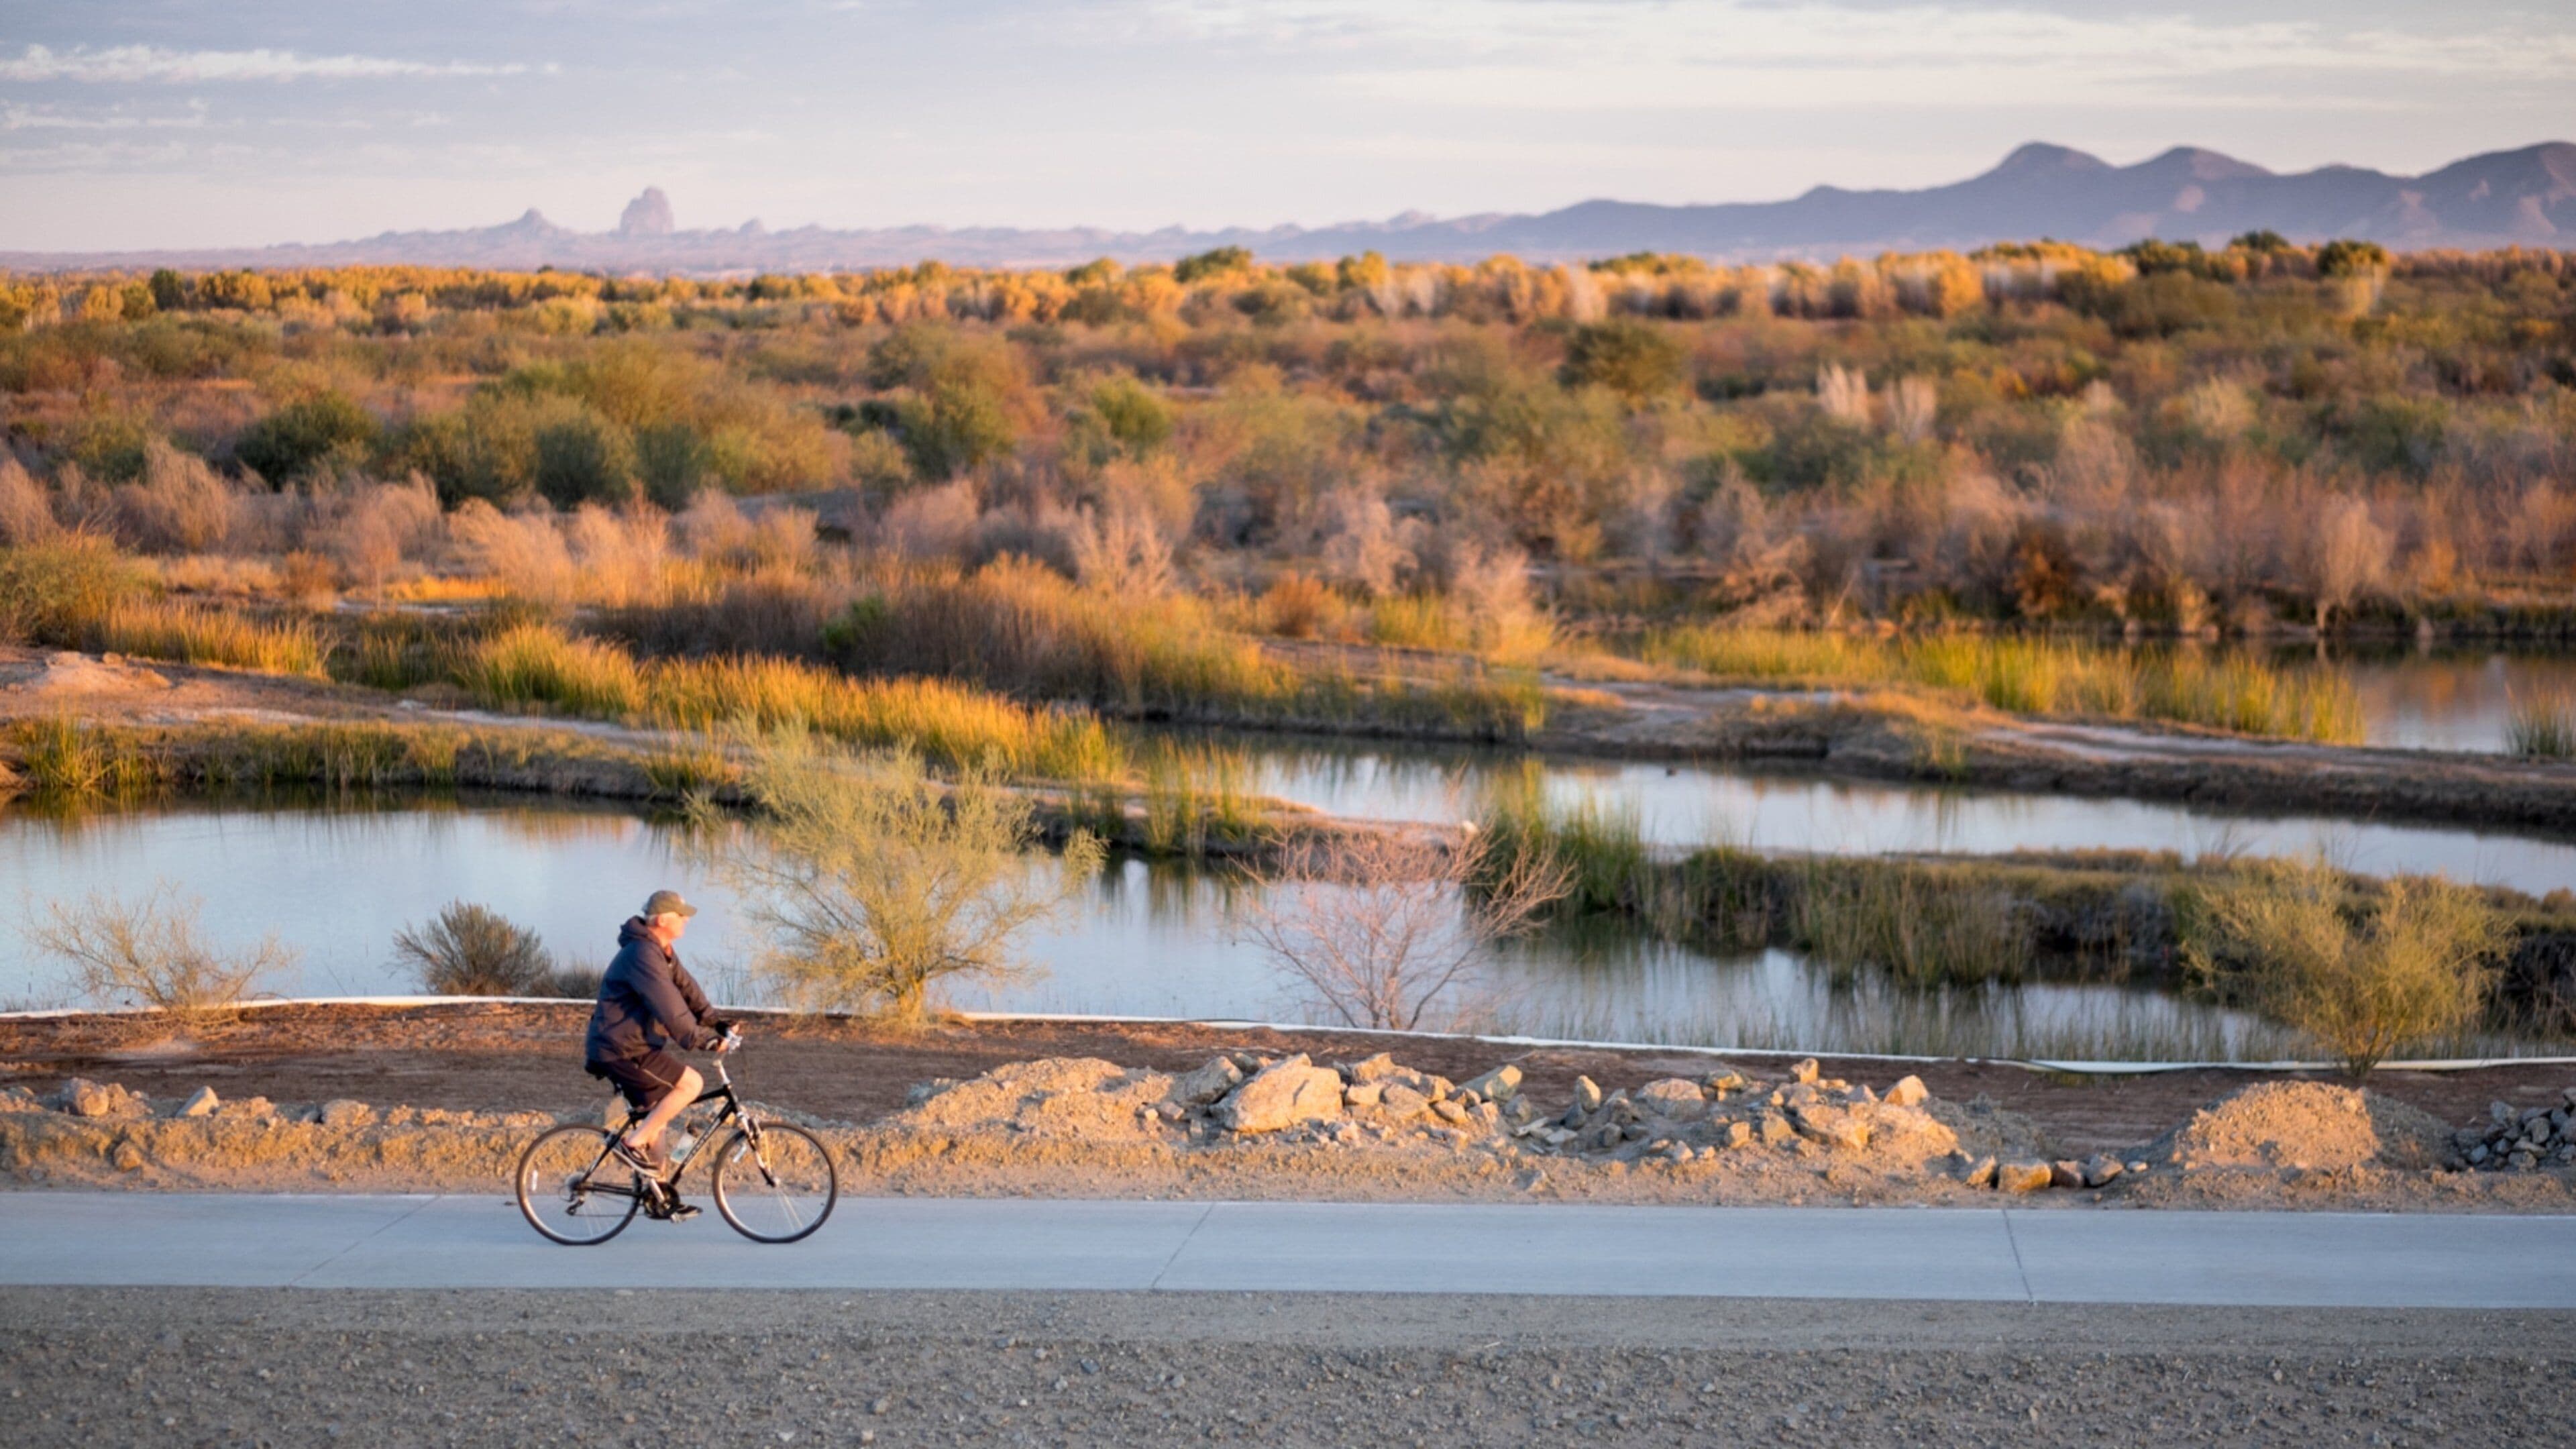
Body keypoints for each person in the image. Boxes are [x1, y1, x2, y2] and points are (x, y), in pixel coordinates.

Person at [584, 890, 736, 1193]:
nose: (686, 921)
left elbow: (687, 989)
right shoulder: (642, 955)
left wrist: (717, 1022)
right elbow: (670, 1008)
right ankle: (632, 1144)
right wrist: (704, 1040)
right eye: (681, 916)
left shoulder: (660, 950)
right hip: (621, 1049)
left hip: (631, 1045)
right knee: (692, 1084)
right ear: (663, 920)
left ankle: (659, 1192)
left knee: (657, 1115)